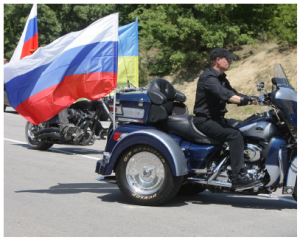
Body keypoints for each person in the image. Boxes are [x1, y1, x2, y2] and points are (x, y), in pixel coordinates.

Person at [193, 48, 260, 189]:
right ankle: (236, 178)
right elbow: (225, 95)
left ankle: (243, 164)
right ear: (218, 60)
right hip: (205, 120)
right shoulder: (208, 78)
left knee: (245, 126)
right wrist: (245, 100)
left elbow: (233, 93)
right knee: (234, 135)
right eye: (227, 59)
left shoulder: (221, 78)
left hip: (217, 119)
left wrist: (254, 99)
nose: (230, 61)